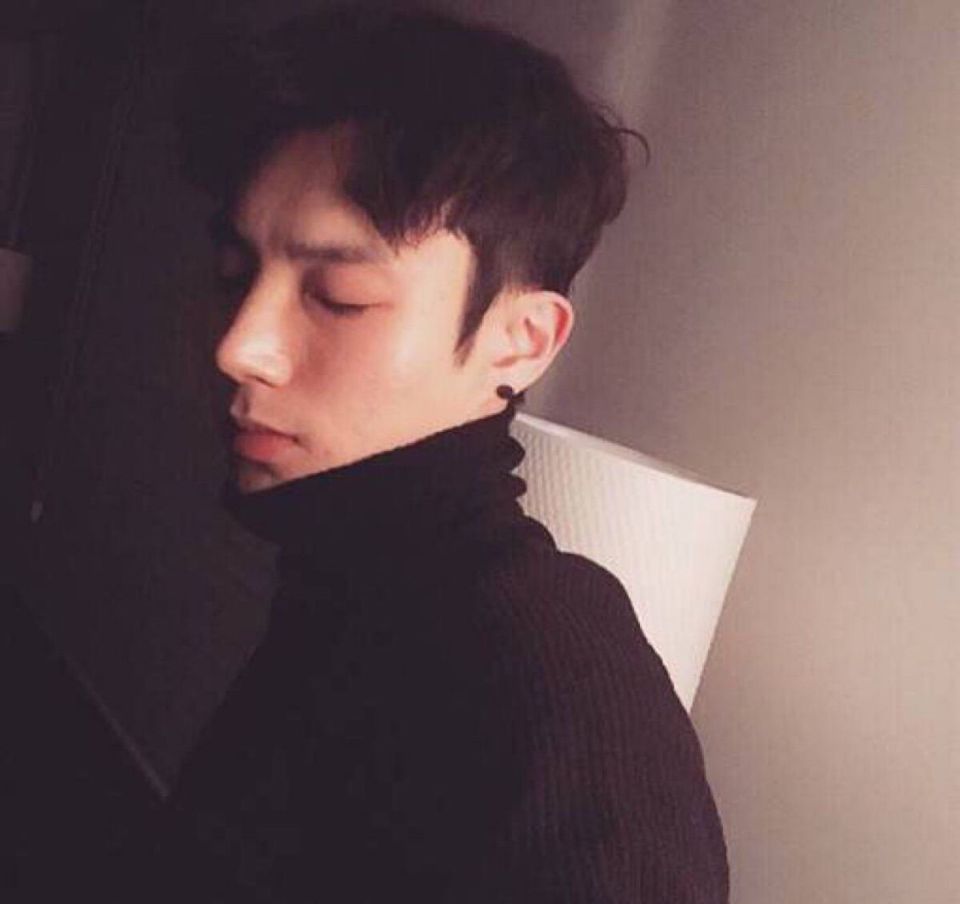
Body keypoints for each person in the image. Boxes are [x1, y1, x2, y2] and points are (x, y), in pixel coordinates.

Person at [126, 6, 730, 901]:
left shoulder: (553, 686)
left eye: (339, 296)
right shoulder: (347, 584)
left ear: (521, 341)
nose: (238, 345)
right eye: (233, 275)